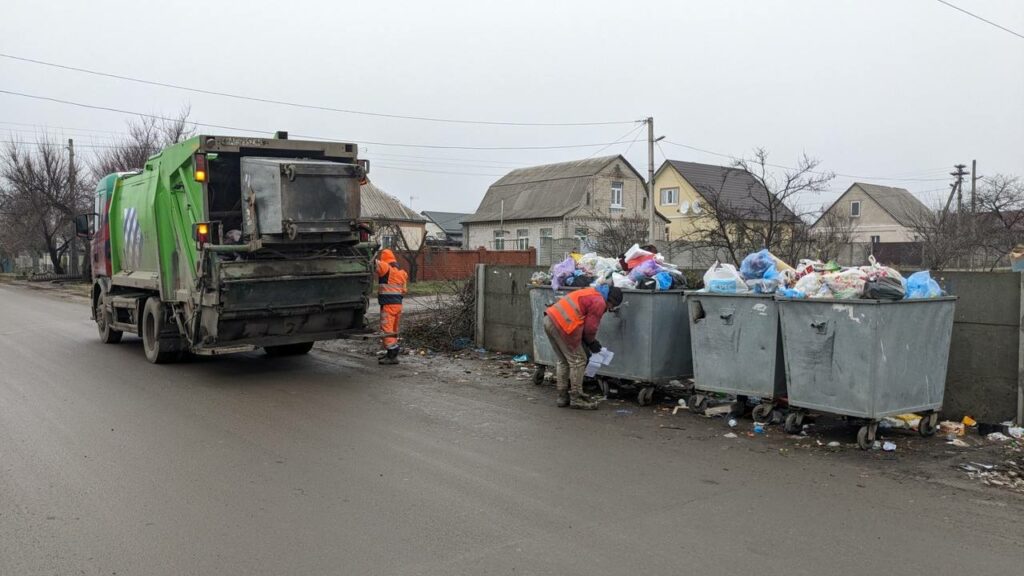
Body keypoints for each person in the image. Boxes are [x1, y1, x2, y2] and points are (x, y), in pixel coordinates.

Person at [543, 285, 623, 409]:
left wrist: (587, 341)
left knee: (563, 360)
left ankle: (562, 396)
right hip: (564, 324)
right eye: (612, 307)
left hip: (550, 318)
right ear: (611, 301)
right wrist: (591, 343)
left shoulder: (591, 291)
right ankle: (576, 398)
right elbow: (590, 329)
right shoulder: (599, 302)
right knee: (578, 360)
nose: (609, 309)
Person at [375, 248, 408, 365]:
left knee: (386, 329)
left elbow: (374, 262)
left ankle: (392, 354)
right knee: (393, 329)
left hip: (388, 305)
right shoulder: (402, 273)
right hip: (397, 305)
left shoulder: (385, 268)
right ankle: (390, 353)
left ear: (384, 259)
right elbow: (404, 291)